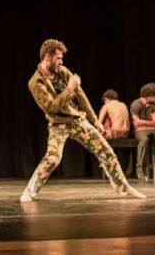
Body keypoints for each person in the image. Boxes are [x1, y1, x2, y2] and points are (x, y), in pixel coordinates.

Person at [20, 39, 145, 202]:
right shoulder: (35, 82)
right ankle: (29, 191)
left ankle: (123, 186)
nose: (61, 61)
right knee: (52, 158)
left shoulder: (63, 71)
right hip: (58, 124)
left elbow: (81, 96)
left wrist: (95, 121)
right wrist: (69, 88)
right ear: (48, 57)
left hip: (77, 121)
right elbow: (52, 107)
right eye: (58, 58)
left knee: (106, 151)